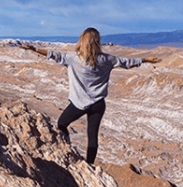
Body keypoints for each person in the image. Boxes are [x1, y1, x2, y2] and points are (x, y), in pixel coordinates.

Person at [21, 27, 160, 164]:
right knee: (92, 137)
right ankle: (90, 164)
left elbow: (53, 54)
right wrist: (145, 60)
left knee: (61, 124)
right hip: (98, 104)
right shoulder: (107, 59)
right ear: (97, 42)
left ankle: (66, 148)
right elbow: (127, 63)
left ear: (82, 41)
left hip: (79, 104)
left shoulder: (73, 59)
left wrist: (33, 49)